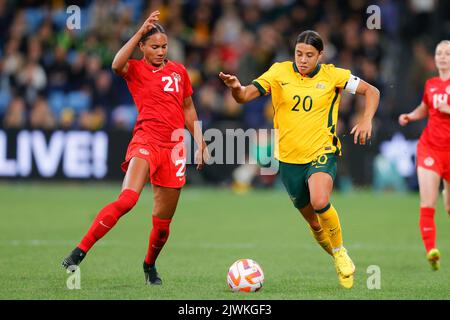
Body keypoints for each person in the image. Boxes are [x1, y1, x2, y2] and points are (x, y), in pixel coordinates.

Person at [219, 30, 380, 289]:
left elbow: (372, 91)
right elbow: (245, 96)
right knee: (314, 224)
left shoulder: (334, 75)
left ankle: (340, 250)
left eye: (309, 55)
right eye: (299, 54)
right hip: (289, 160)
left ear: (320, 56)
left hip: (321, 151)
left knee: (320, 201)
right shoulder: (279, 72)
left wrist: (366, 119)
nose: (303, 60)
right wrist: (236, 88)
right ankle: (336, 257)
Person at [62, 11, 208, 285]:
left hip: (174, 148)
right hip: (145, 141)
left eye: (164, 46)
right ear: (142, 47)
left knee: (162, 226)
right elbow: (116, 64)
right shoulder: (136, 69)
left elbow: (188, 108)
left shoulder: (179, 72)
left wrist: (200, 142)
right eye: (154, 46)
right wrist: (140, 31)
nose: (161, 51)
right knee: (128, 199)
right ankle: (79, 252)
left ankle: (149, 265)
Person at [399, 40, 450, 271]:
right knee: (427, 202)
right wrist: (411, 116)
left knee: (448, 207)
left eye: (447, 53)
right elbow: (425, 107)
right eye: (439, 52)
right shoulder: (430, 83)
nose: (442, 57)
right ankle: (431, 251)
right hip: (430, 148)